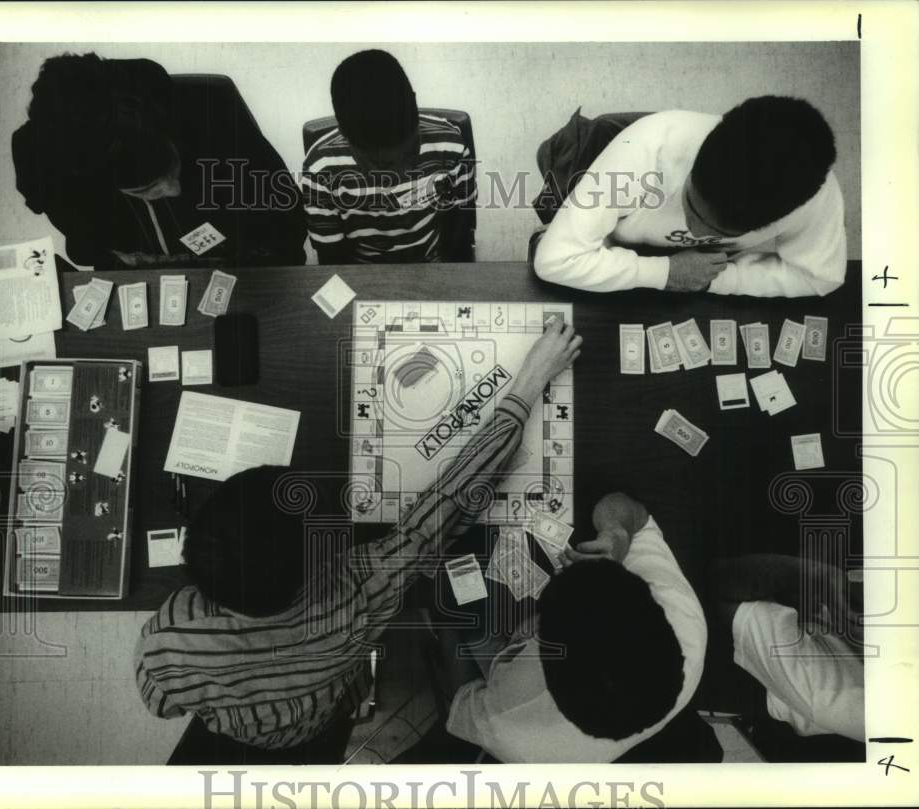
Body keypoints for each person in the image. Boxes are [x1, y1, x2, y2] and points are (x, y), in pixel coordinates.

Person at [134, 318, 582, 760]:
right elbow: (447, 504)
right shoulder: (356, 594)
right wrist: (527, 385)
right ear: (323, 562)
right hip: (330, 712)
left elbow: (161, 704)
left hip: (254, 736)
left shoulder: (166, 638)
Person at [446, 493, 707, 762]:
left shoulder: (512, 732)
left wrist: (453, 615)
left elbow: (460, 696)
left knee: (454, 580)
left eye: (545, 625)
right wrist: (615, 537)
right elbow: (633, 513)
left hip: (504, 671)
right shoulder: (680, 621)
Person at [13, 53, 306, 269]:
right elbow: (86, 247)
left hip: (240, 270)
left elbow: (288, 228)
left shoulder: (214, 120)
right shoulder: (51, 169)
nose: (174, 188)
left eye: (172, 168)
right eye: (149, 188)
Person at [533, 96, 847, 296]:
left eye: (718, 233)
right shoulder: (649, 149)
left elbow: (819, 277)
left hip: (700, 274)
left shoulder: (814, 195)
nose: (696, 233)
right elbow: (555, 260)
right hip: (610, 251)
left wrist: (714, 280)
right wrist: (667, 273)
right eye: (692, 210)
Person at [301, 49, 476, 264]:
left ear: (414, 106)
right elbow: (332, 257)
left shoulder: (451, 145)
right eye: (377, 161)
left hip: (433, 265)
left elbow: (460, 224)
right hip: (361, 274)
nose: (394, 172)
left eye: (407, 152)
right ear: (345, 134)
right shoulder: (321, 170)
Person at [711, 554, 864, 742]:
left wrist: (818, 574)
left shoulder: (836, 697)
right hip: (812, 609)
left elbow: (720, 584)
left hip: (737, 665)